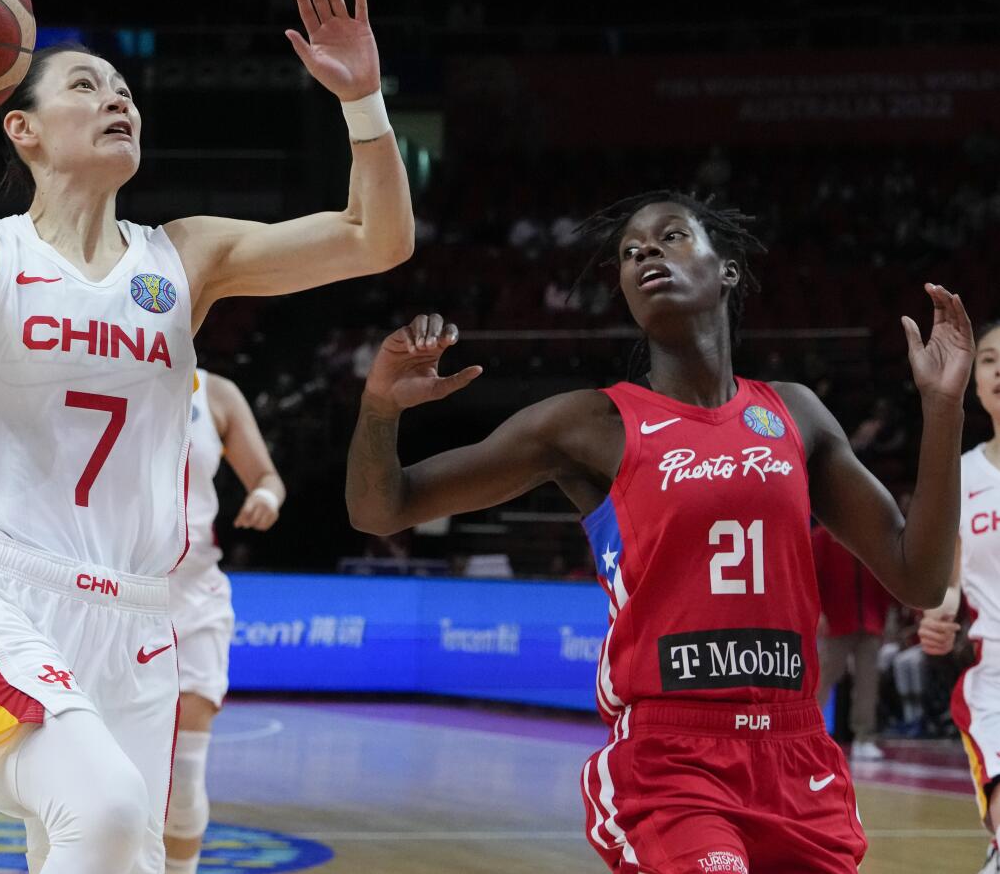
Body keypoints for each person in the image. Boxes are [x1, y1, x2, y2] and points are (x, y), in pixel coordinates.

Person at [0, 0, 412, 874]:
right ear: (22, 128)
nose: (119, 100)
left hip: (142, 620)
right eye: (87, 85)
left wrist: (365, 104)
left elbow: (377, 237)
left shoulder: (185, 256)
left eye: (123, 90)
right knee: (106, 809)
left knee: (119, 855)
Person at [344, 192, 972, 874]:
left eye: (670, 236)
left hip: (796, 752)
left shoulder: (796, 412)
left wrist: (943, 408)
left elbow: (920, 574)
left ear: (725, 270)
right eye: (629, 251)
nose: (645, 251)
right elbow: (383, 509)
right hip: (672, 761)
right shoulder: (590, 424)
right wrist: (379, 408)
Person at [164, 369, 285, 874]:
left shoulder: (216, 392)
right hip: (109, 592)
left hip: (194, 593)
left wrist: (266, 498)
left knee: (186, 773)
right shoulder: (99, 363)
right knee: (108, 782)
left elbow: (267, 476)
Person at [918, 319, 1000, 873]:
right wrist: (934, 621)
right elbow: (944, 590)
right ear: (975, 379)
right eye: (991, 359)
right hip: (995, 682)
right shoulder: (961, 474)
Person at [812, 522, 892, 760]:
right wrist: (817, 613)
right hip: (836, 622)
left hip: (870, 622)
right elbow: (811, 576)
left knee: (868, 683)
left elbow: (884, 580)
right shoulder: (822, 538)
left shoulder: (871, 536)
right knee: (824, 678)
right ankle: (810, 733)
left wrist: (882, 618)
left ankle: (864, 737)